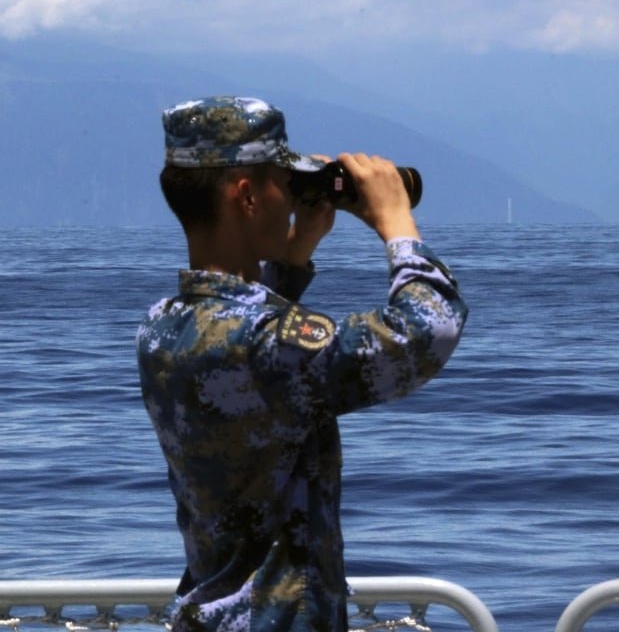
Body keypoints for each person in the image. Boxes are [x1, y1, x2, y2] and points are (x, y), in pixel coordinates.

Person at [136, 96, 467, 632]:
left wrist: (294, 253)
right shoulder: (265, 344)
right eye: (282, 184)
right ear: (246, 196)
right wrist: (397, 224)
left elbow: (246, 349)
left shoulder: (162, 325)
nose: (290, 200)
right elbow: (427, 332)